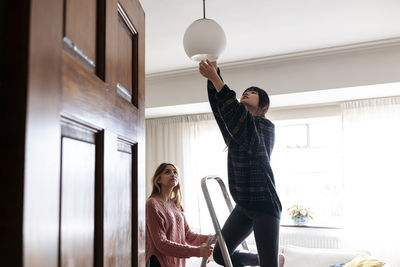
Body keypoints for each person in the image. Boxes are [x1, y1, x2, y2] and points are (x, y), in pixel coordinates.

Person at [199, 59, 283, 267]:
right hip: (244, 205)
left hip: (265, 206)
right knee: (220, 256)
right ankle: (266, 260)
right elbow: (222, 110)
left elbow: (240, 120)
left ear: (263, 105)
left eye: (253, 92)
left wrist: (216, 78)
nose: (246, 92)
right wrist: (214, 74)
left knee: (268, 265)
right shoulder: (235, 127)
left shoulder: (265, 127)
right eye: (246, 91)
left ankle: (271, 262)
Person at [146, 163, 214, 267]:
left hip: (178, 263)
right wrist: (197, 252)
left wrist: (213, 238)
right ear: (158, 180)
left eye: (175, 172)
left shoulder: (176, 204)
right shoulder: (152, 204)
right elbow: (161, 244)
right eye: (167, 172)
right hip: (159, 263)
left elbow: (189, 236)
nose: (173, 175)